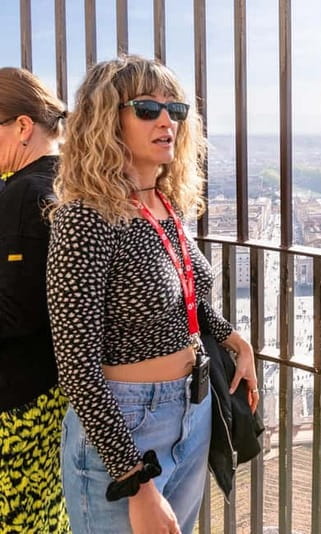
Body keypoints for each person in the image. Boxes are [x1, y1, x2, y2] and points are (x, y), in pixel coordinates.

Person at [46, 55, 258, 534]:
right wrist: (135, 481)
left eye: (175, 110)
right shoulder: (85, 219)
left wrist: (231, 339)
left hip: (193, 409)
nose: (166, 121)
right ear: (107, 121)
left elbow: (185, 300)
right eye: (146, 109)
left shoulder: (163, 203)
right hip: (126, 426)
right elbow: (76, 366)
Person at [0, 67, 68, 533]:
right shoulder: (70, 181)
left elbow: (15, 311)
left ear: (23, 127)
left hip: (16, 397)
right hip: (54, 389)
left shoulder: (23, 193)